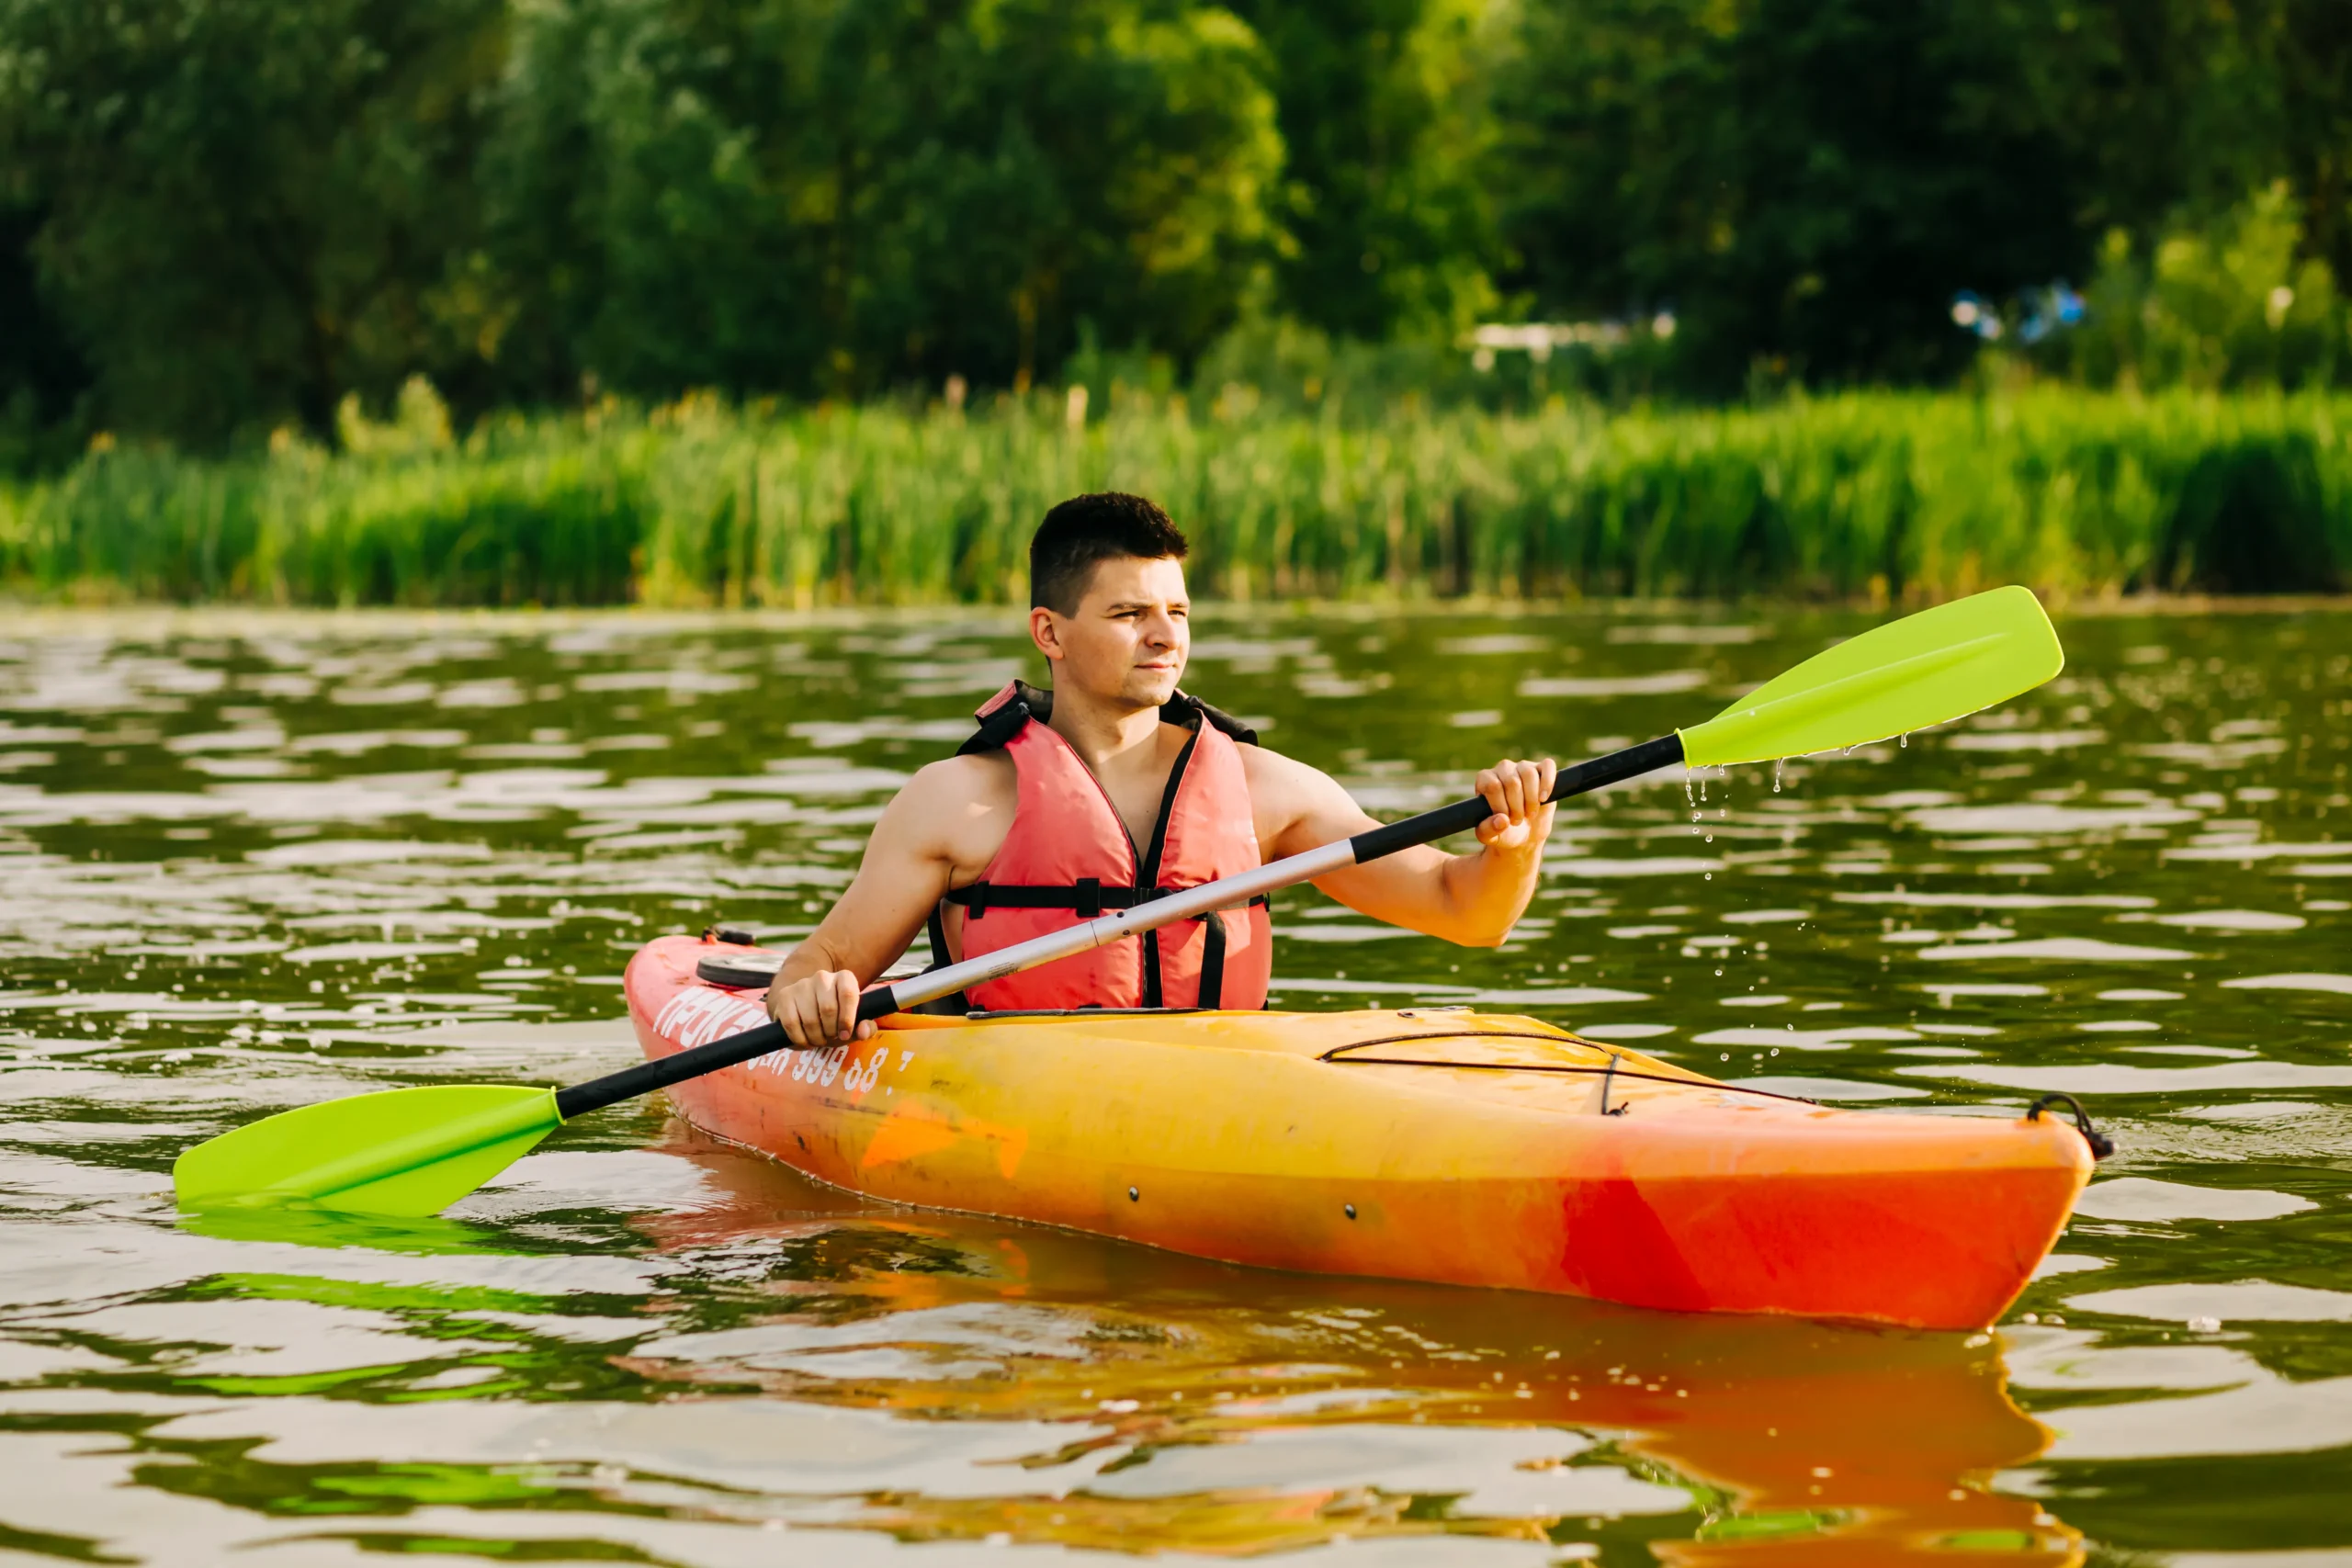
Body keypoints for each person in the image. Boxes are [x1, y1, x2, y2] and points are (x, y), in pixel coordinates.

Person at [765, 491, 1557, 1046]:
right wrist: (813, 998)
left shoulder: (1265, 789)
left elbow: (1466, 912)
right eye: (1128, 613)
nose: (1164, 636)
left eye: (1177, 612)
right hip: (1015, 1101)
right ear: (1050, 630)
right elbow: (820, 964)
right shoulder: (960, 801)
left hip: (1212, 1095)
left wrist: (1515, 847)